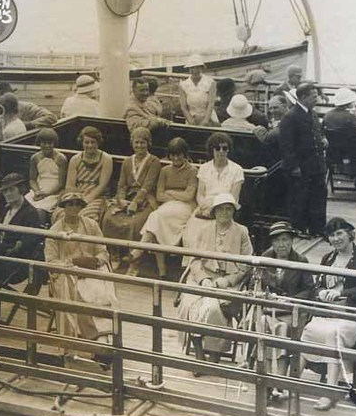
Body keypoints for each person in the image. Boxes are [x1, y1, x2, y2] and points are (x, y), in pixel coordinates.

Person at [296, 217, 356, 411]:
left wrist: (342, 293)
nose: (335, 238)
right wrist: (322, 292)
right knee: (309, 329)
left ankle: (330, 391)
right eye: (331, 235)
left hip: (353, 316)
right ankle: (292, 382)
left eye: (339, 233)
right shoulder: (328, 258)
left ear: (350, 234)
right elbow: (317, 285)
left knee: (331, 334)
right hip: (330, 313)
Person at [177, 193, 252, 366]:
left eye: (228, 209)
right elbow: (194, 260)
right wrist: (203, 279)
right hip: (202, 278)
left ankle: (215, 350)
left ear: (233, 211)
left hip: (227, 281)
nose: (224, 213)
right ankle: (198, 350)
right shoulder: (203, 230)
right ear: (214, 212)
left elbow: (247, 265)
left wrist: (228, 281)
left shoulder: (242, 231)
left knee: (213, 308)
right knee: (190, 305)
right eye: (220, 209)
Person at [44, 192, 111, 358]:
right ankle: (94, 342)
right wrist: (73, 263)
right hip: (68, 273)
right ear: (64, 208)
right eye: (70, 204)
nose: (74, 208)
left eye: (77, 204)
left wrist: (96, 261)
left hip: (92, 270)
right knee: (78, 294)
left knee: (104, 293)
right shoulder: (55, 230)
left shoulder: (91, 225)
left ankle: (106, 341)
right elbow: (51, 260)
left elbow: (103, 250)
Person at [255, 221, 317, 398]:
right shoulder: (266, 258)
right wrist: (266, 296)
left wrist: (290, 300)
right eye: (277, 241)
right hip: (270, 309)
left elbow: (309, 290)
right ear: (272, 243)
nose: (281, 244)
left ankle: (278, 382)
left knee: (281, 330)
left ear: (291, 241)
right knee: (264, 325)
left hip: (291, 311)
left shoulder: (301, 261)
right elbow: (256, 283)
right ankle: (267, 379)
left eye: (285, 240)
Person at [132, 137, 199, 279]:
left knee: (156, 217)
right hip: (167, 206)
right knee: (157, 218)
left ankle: (139, 250)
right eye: (172, 155)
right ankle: (162, 271)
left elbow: (189, 196)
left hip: (186, 208)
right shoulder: (165, 170)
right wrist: (175, 195)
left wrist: (171, 193)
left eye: (179, 154)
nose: (175, 158)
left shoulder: (192, 171)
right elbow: (159, 195)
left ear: (185, 154)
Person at [0, 173, 45, 306]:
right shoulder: (6, 208)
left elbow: (24, 246)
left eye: (11, 190)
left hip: (17, 263)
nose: (7, 194)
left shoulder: (30, 213)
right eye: (5, 191)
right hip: (0, 256)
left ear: (21, 190)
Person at [102, 127, 160, 274]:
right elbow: (121, 184)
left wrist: (135, 202)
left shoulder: (154, 161)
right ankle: (114, 255)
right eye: (136, 142)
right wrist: (121, 199)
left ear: (148, 143)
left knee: (135, 223)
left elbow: (148, 185)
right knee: (109, 217)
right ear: (132, 143)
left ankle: (134, 262)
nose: (139, 145)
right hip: (127, 198)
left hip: (146, 200)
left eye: (143, 142)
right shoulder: (127, 161)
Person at [279, 81, 328, 238]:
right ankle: (299, 228)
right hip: (301, 166)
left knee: (318, 196)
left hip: (316, 164)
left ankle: (317, 228)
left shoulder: (311, 113)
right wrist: (294, 167)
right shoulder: (290, 117)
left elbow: (315, 133)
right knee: (300, 198)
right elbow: (287, 145)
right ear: (303, 97)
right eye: (314, 96)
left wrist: (322, 139)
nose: (317, 99)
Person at [61, 125, 114, 222]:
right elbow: (70, 185)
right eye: (87, 142)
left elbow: (102, 185)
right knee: (61, 213)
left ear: (98, 142)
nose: (90, 145)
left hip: (98, 197)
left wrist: (86, 200)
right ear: (82, 142)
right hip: (77, 195)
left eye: (93, 142)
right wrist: (76, 200)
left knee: (87, 215)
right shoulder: (75, 159)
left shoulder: (106, 159)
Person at [193, 131, 244, 217]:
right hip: (205, 208)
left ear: (228, 150)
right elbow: (200, 195)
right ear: (212, 149)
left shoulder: (237, 170)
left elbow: (233, 198)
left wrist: (214, 209)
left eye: (224, 148)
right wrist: (204, 207)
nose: (221, 151)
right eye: (217, 148)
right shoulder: (204, 168)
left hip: (225, 209)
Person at [26, 127, 69, 215]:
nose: (47, 146)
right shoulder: (34, 158)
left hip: (54, 193)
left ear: (54, 143)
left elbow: (61, 183)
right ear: (39, 143)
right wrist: (37, 191)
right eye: (44, 143)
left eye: (50, 143)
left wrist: (46, 194)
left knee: (40, 210)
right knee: (26, 206)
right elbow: (32, 179)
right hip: (39, 189)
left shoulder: (61, 159)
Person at [178, 55, 216, 126]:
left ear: (201, 68)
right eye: (192, 68)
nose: (195, 70)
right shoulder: (183, 85)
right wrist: (190, 121)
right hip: (191, 120)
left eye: (197, 67)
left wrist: (206, 120)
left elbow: (211, 104)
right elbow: (183, 107)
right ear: (189, 69)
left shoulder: (210, 82)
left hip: (209, 119)